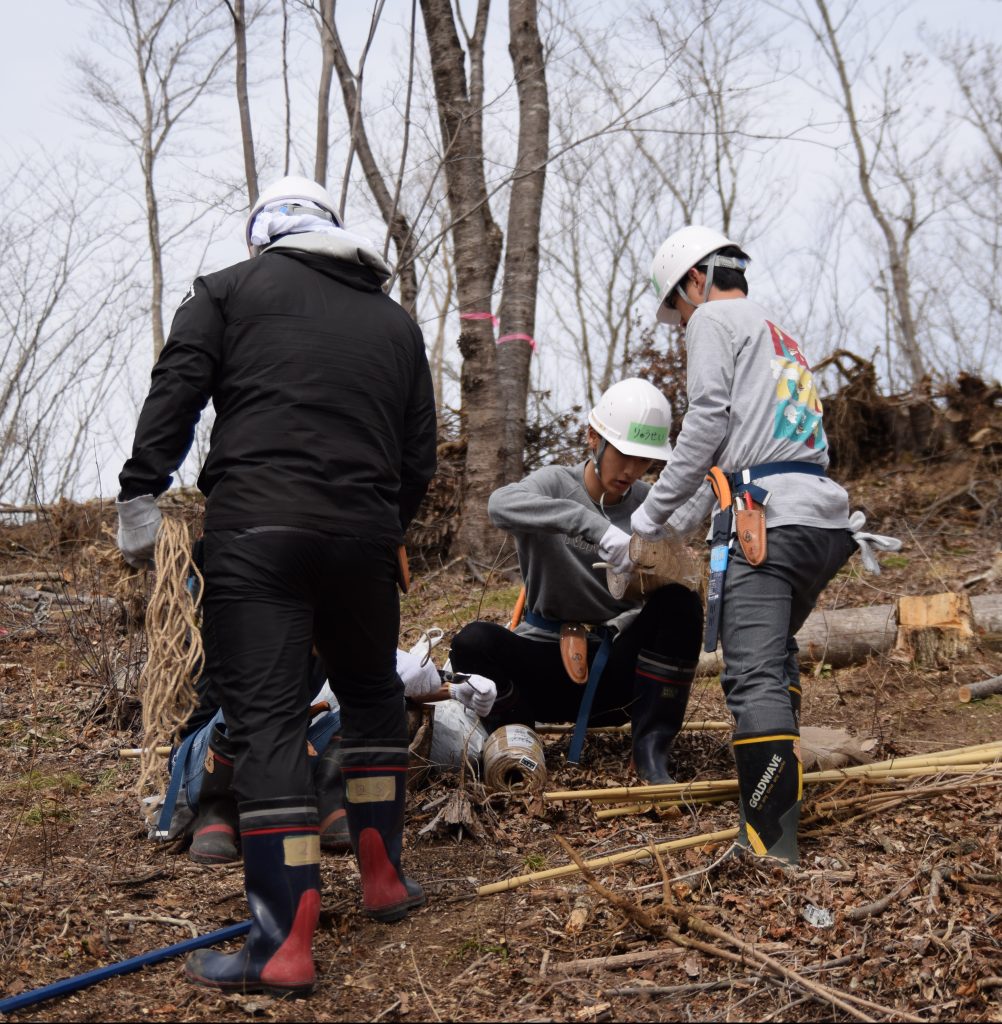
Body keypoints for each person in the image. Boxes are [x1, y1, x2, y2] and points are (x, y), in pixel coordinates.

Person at [115, 175, 438, 995]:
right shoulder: (396, 323)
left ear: (263, 237)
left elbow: (177, 389)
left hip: (257, 531)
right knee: (370, 696)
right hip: (365, 535)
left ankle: (283, 945)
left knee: (266, 720)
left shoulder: (227, 290)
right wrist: (380, 524)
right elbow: (418, 455)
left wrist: (140, 493)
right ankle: (384, 880)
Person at [632, 225, 856, 865]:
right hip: (818, 523)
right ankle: (782, 812)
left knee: (751, 673)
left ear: (694, 281)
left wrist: (648, 516)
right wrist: (673, 525)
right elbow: (732, 458)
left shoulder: (712, 322)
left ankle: (768, 840)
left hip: (769, 526)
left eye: (677, 311)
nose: (681, 327)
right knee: (775, 657)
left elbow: (706, 424)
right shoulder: (779, 337)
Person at [449, 379, 704, 784]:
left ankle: (652, 752)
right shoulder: (554, 484)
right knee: (472, 642)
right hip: (542, 670)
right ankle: (518, 746)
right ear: (592, 437)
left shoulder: (647, 504)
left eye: (644, 461)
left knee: (681, 602)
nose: (632, 471)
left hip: (619, 674)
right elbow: (499, 505)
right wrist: (592, 526)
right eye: (623, 454)